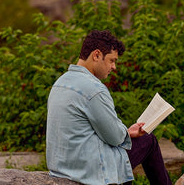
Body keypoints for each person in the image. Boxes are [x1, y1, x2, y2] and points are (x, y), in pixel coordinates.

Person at [46, 30, 172, 185]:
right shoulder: (94, 89)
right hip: (89, 171)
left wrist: (127, 132)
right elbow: (114, 137)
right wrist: (123, 133)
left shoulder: (60, 83)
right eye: (112, 60)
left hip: (62, 168)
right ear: (97, 55)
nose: (114, 67)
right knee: (149, 141)